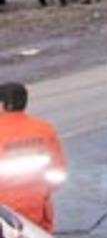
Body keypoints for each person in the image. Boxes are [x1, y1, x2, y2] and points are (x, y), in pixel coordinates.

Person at [0, 82, 66, 233]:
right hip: (38, 211)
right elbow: (58, 174)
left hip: (5, 216)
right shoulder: (44, 129)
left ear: (2, 104)